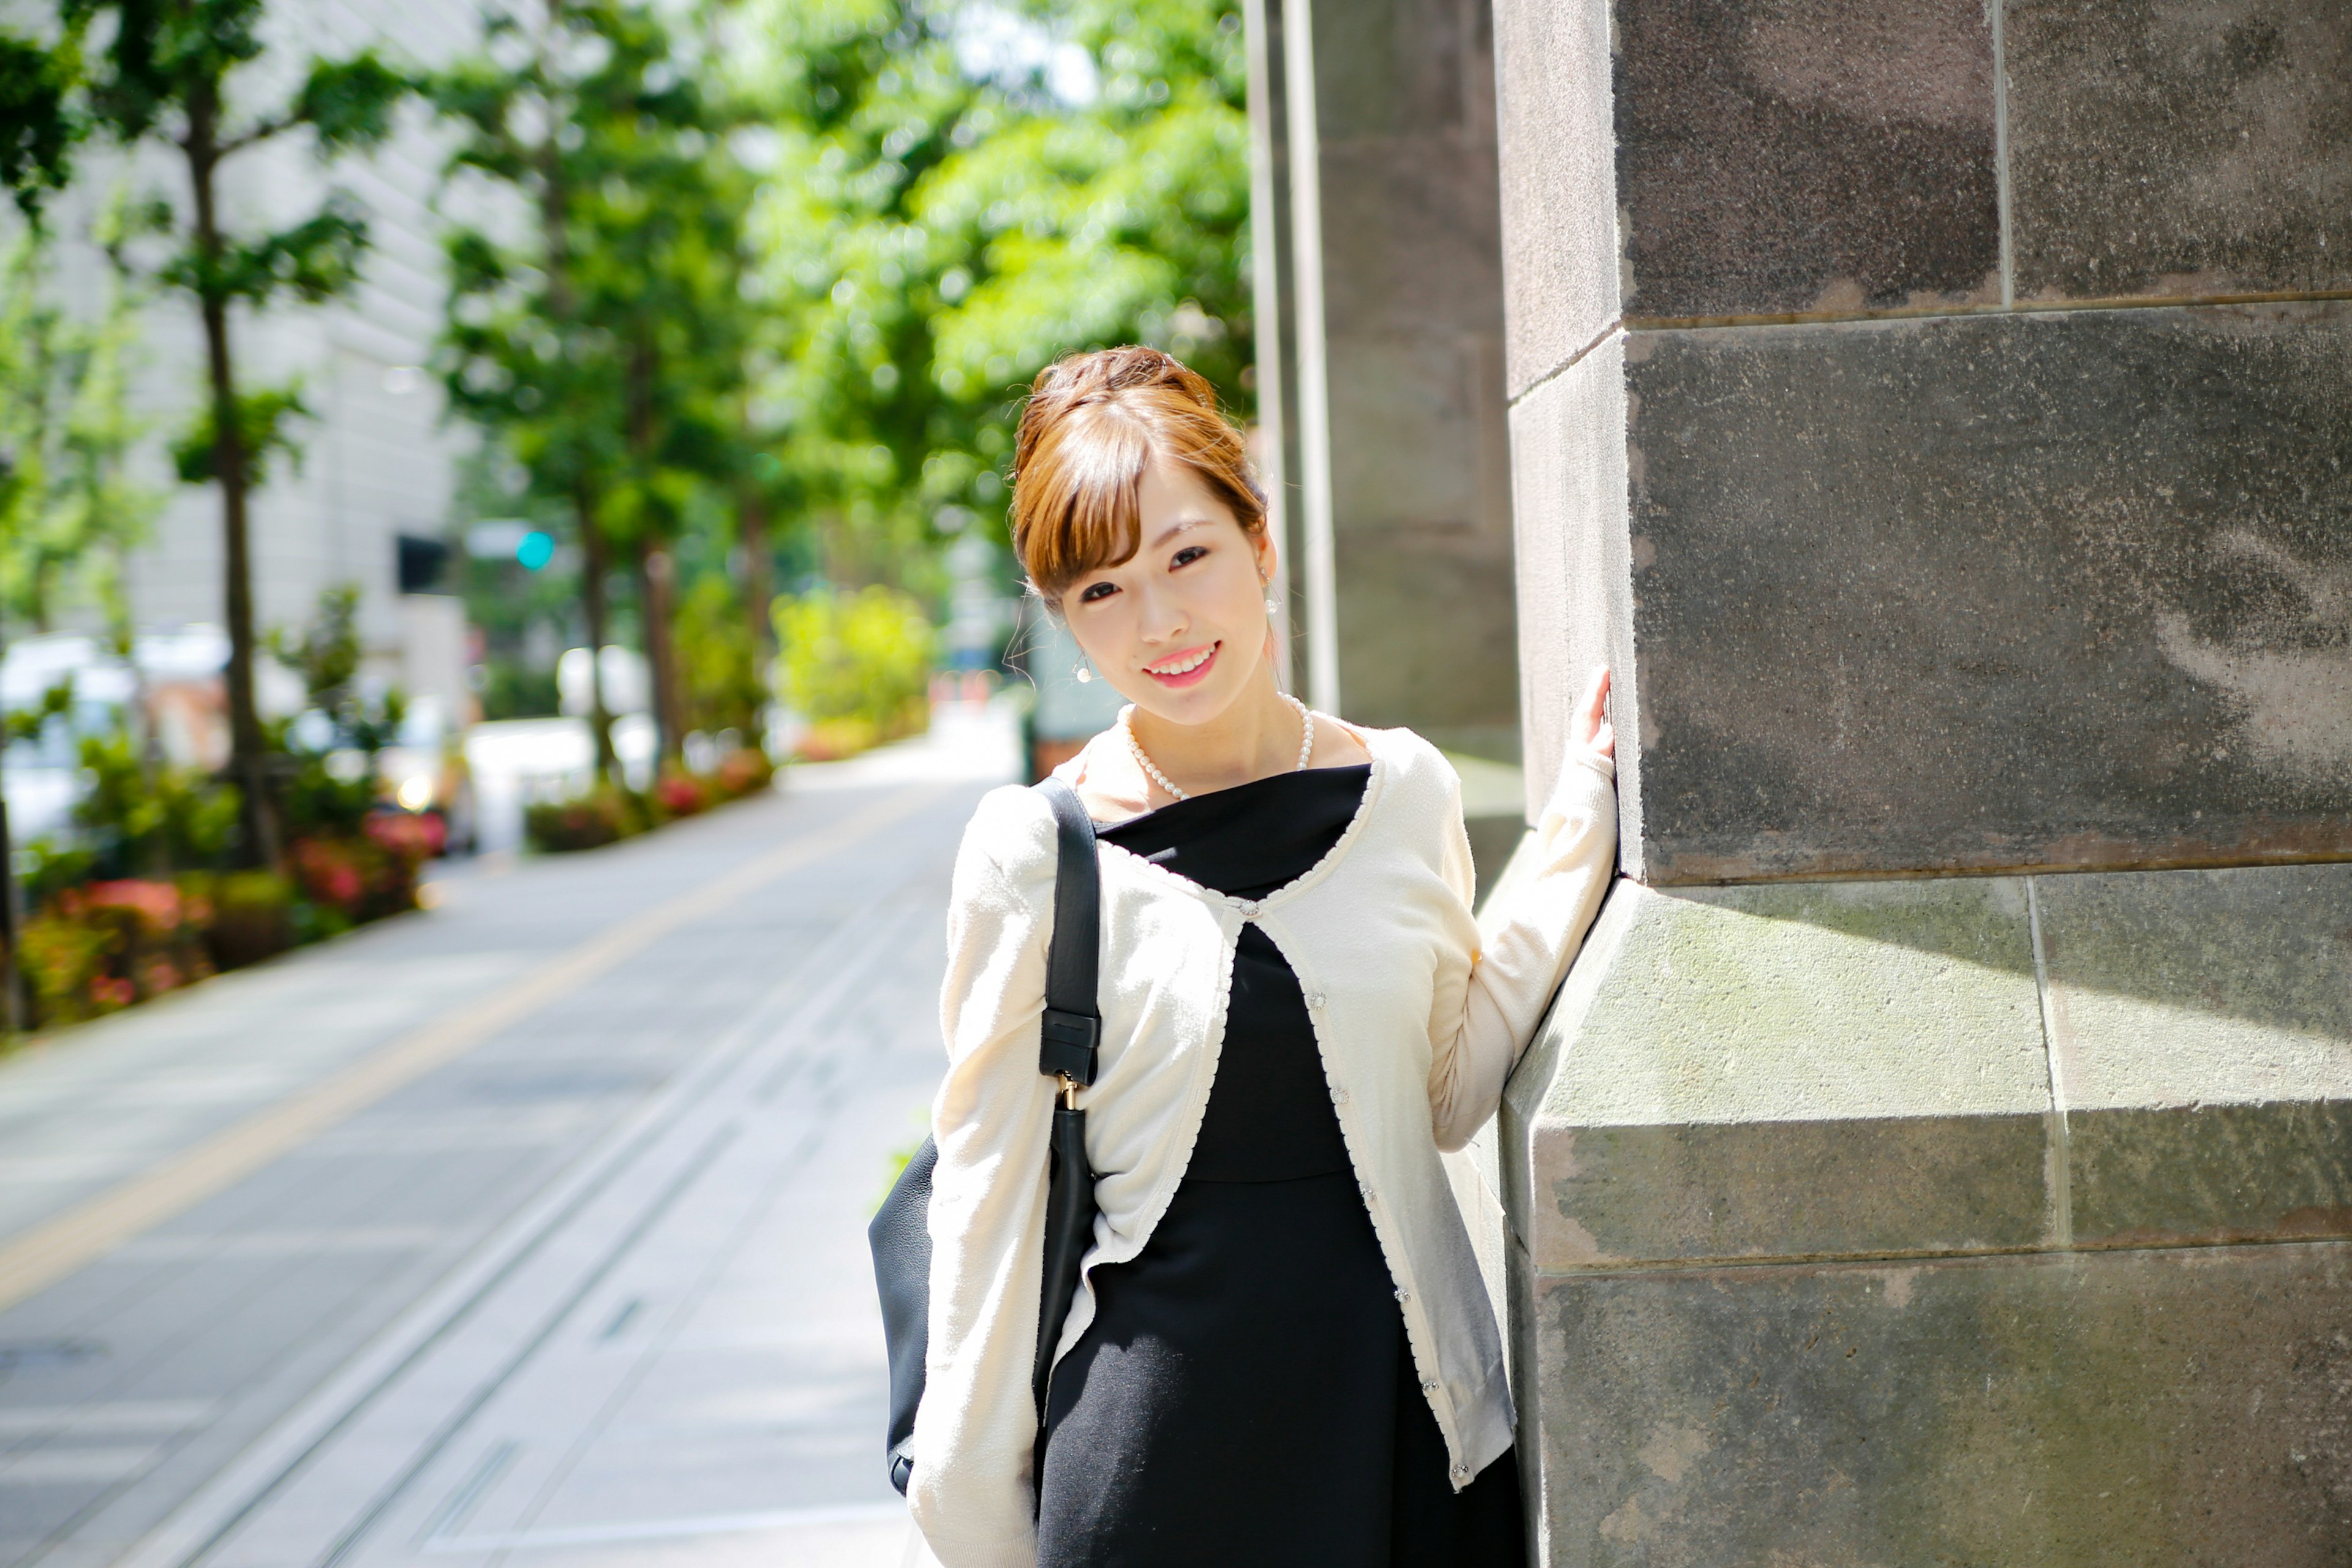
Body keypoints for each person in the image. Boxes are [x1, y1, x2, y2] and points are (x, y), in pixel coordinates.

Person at [910, 345, 1617, 1568]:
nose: (1162, 622)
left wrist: (1578, 833)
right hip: (1158, 1474)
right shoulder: (1037, 852)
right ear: (1063, 617)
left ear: (1260, 543)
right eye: (1104, 591)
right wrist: (977, 1531)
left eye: (1188, 556)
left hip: (1406, 1441)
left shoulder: (1401, 788)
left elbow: (1444, 1090)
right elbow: (988, 1210)